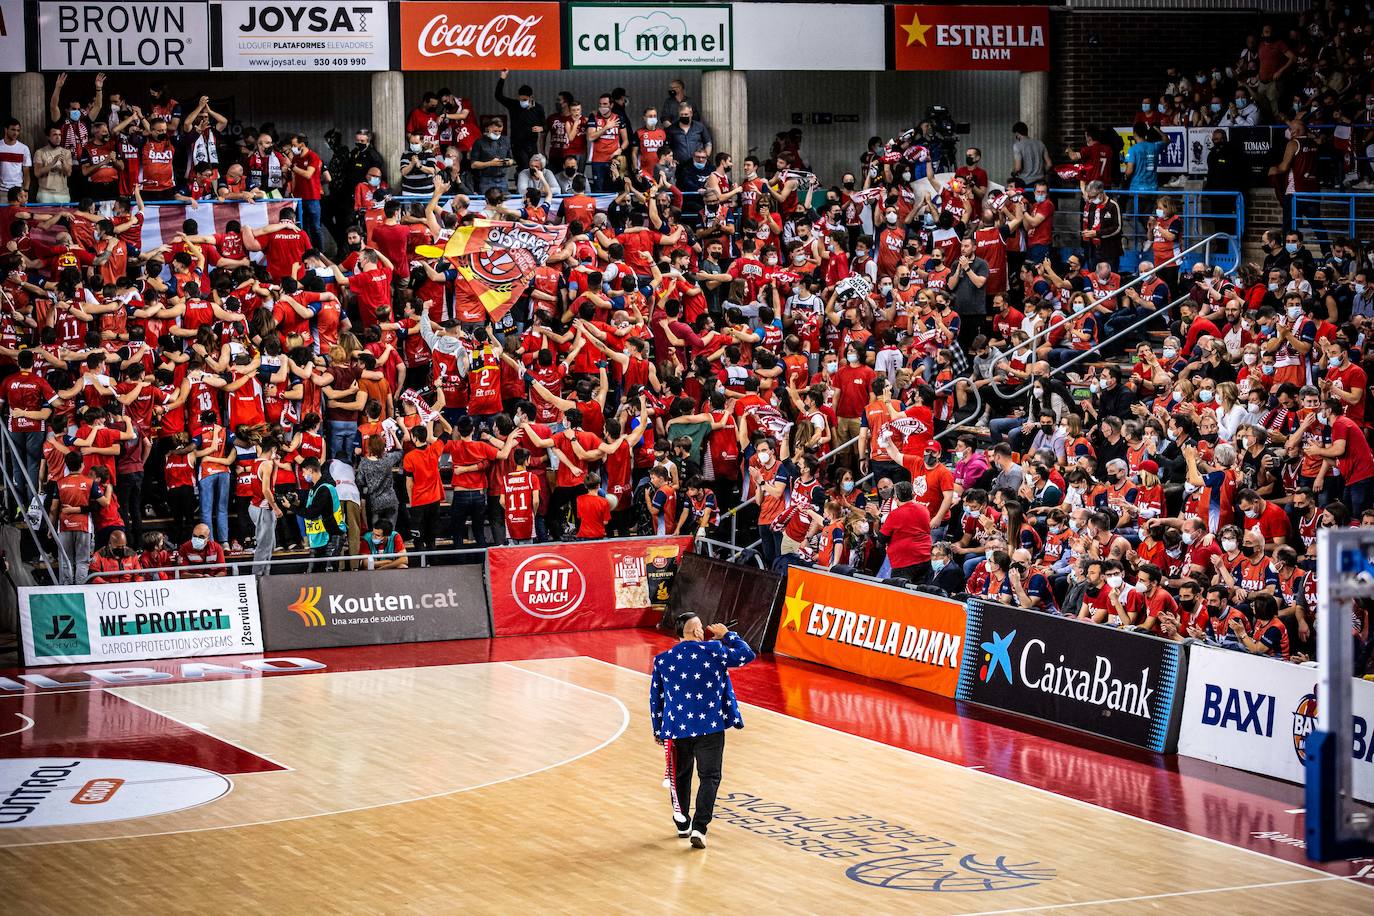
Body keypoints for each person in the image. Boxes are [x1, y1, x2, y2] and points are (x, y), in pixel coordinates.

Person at [650, 613, 755, 849]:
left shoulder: (663, 660)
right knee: (709, 777)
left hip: (676, 729)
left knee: (680, 778)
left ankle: (682, 823)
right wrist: (728, 635)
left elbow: (655, 698)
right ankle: (699, 828)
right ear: (698, 632)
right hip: (710, 728)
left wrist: (658, 729)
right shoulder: (714, 650)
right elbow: (746, 655)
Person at [881, 480, 933, 582]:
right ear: (912, 494)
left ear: (896, 497)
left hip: (903, 561)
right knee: (920, 592)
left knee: (900, 593)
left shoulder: (895, 514)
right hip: (925, 557)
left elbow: (882, 537)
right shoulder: (924, 509)